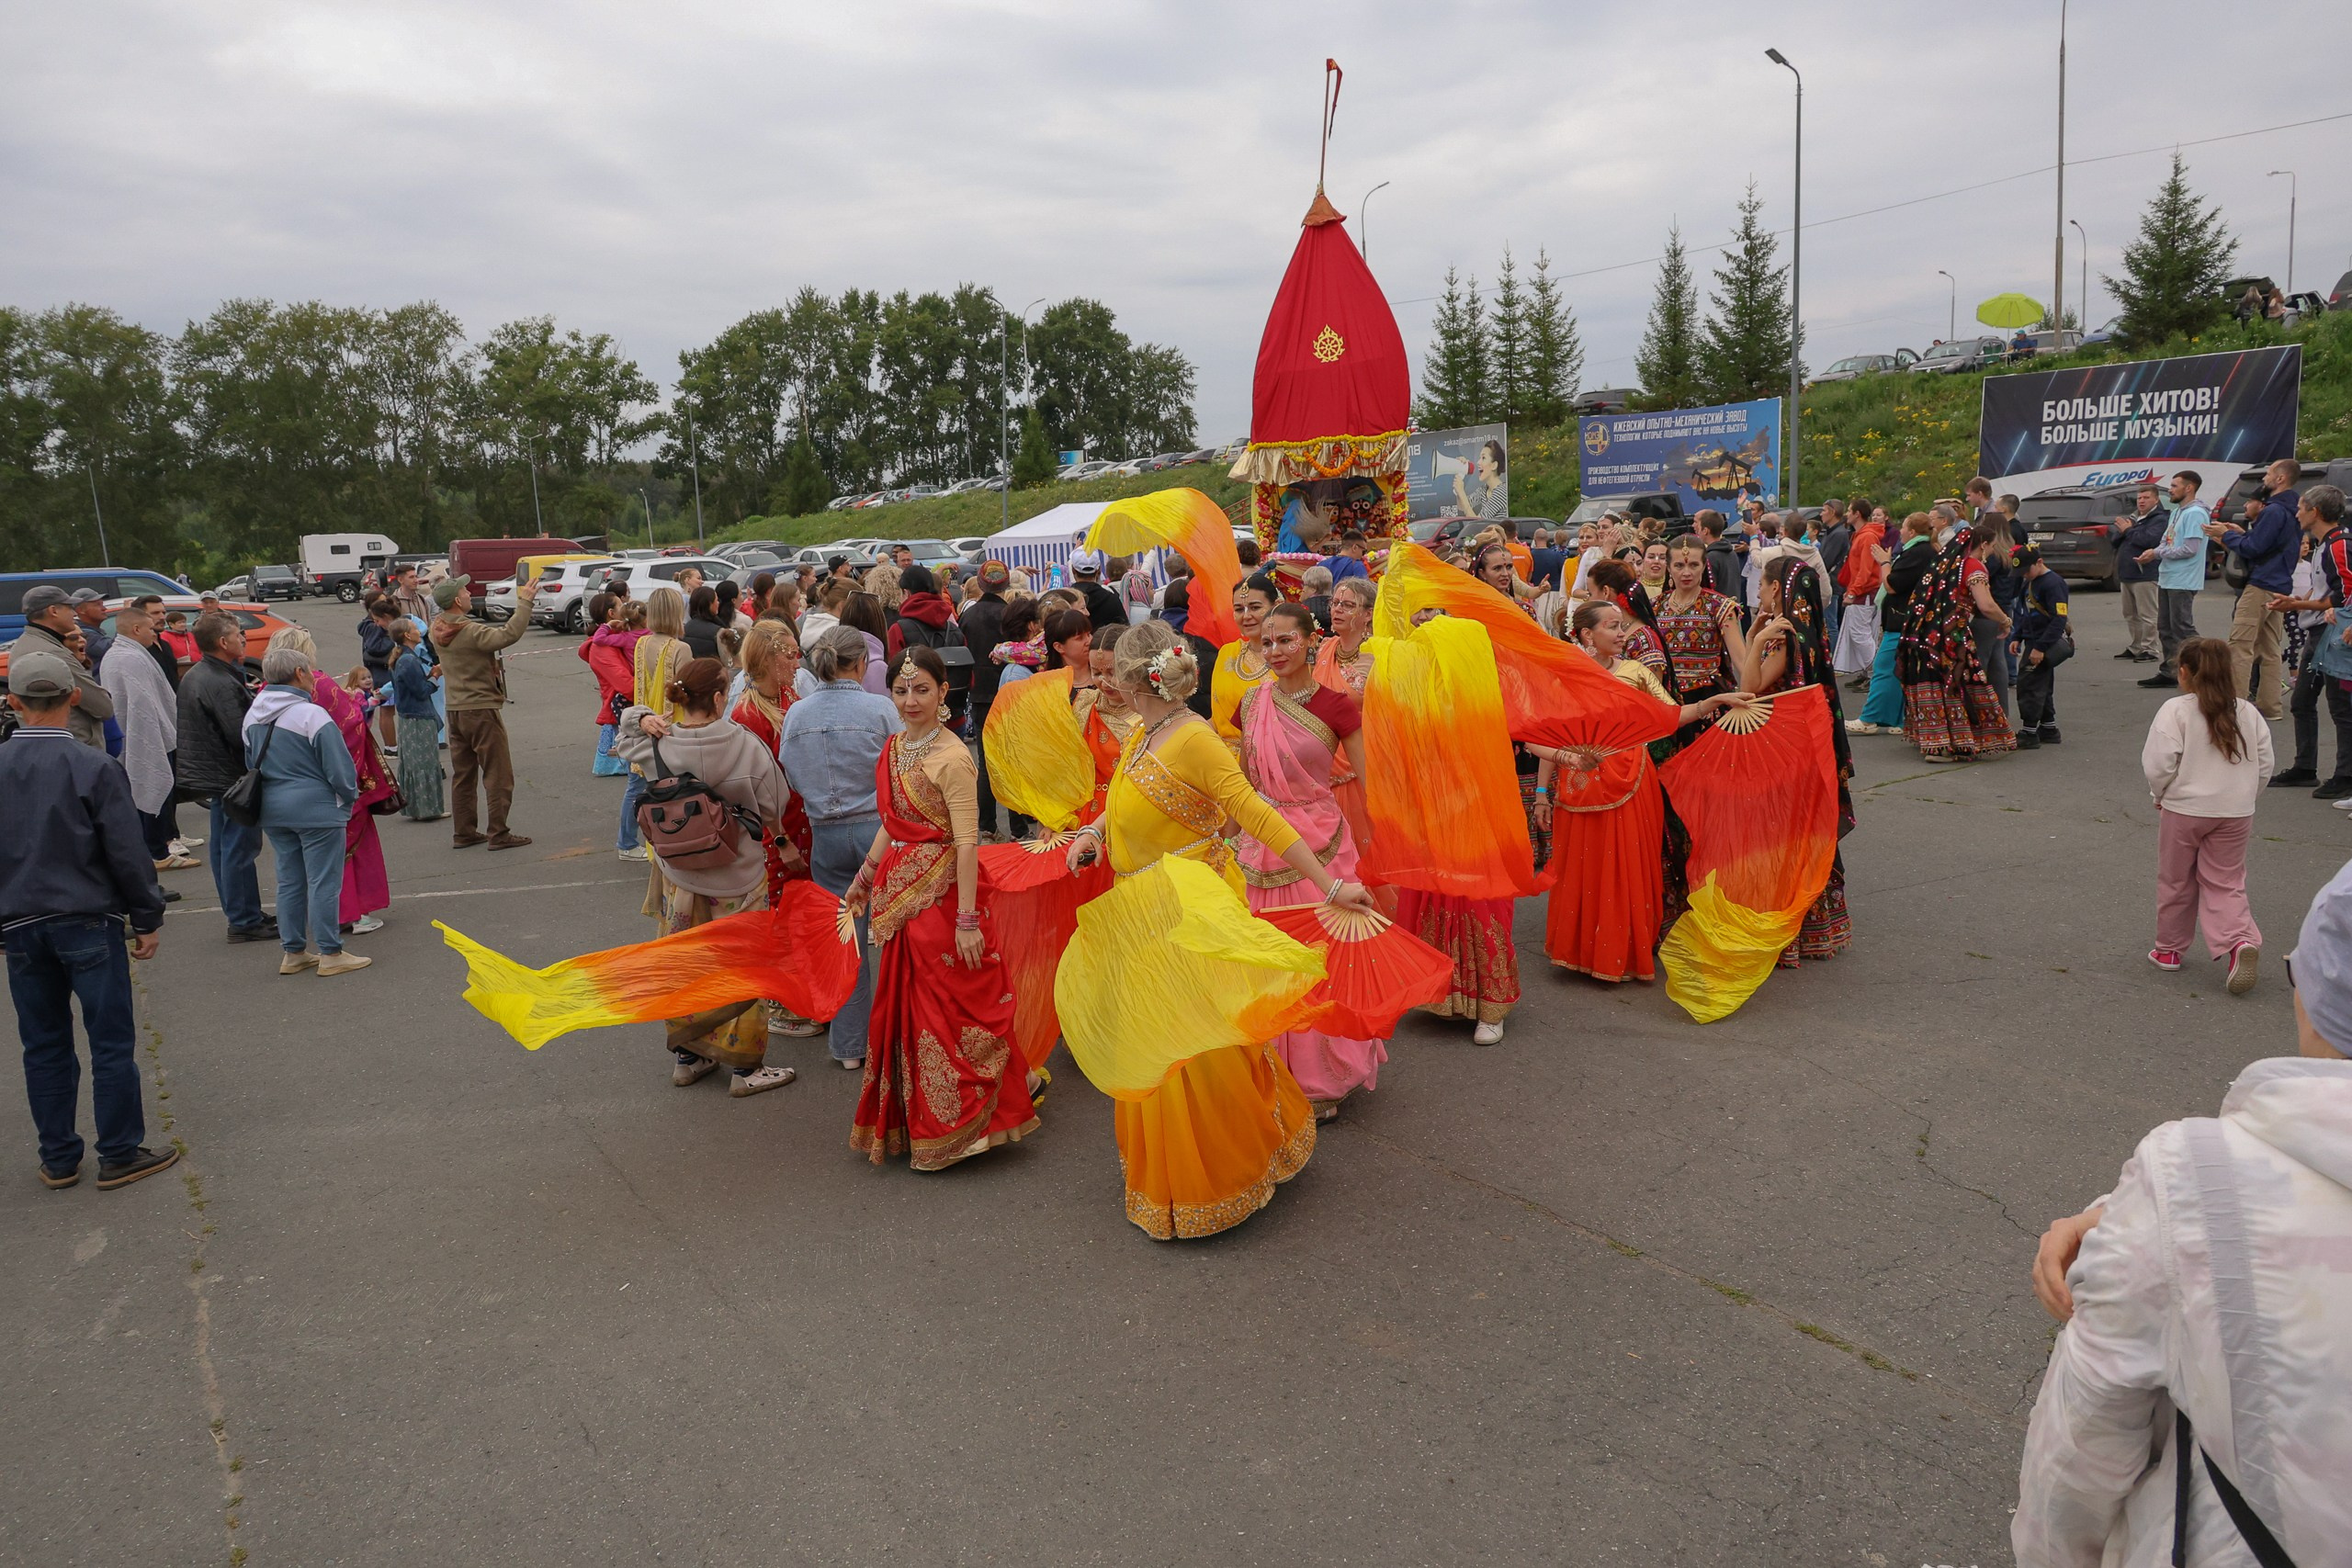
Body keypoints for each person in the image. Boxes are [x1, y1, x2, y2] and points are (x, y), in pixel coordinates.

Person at [2015, 869, 2352, 1567]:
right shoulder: (2188, 1190)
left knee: (2181, 879)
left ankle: (2171, 943)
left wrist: (2149, 1220)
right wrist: (2127, 1219)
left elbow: (2081, 1447)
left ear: (2319, 999)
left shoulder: (2191, 1178)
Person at [1057, 621, 1377, 1239]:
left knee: (1191, 1051)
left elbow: (1255, 810)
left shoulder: (1193, 738)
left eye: (1110, 672)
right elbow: (1120, 798)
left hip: (1185, 915)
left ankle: (1217, 1174)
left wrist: (1333, 885)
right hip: (1140, 912)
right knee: (1158, 1043)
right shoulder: (1148, 733)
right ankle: (1180, 1168)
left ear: (1129, 679)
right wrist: (1095, 834)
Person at [840, 646, 1038, 1166]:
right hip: (899, 898)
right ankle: (914, 1119)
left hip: (947, 900)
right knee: (907, 1009)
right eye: (901, 691)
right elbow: (895, 821)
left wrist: (968, 921)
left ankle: (966, 1123)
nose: (910, 700)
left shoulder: (952, 757)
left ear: (944, 694)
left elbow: (968, 843)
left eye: (922, 690)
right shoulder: (896, 748)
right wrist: (864, 875)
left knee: (951, 1011)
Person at [0, 649, 177, 1190]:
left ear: (14, 703)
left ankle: (58, 1156)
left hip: (20, 922)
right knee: (109, 1040)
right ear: (73, 697)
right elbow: (125, 851)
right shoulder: (94, 765)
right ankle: (119, 1150)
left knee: (44, 1042)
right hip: (86, 917)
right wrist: (146, 915)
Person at [614, 657, 797, 1097]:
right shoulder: (745, 744)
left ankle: (688, 1056)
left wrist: (644, 716)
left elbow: (623, 736)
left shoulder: (658, 745)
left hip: (681, 875)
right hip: (739, 874)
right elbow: (777, 802)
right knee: (745, 964)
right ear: (719, 698)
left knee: (686, 963)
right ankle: (745, 1067)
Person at [1533, 602, 1736, 986]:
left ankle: (1621, 953)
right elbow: (1545, 737)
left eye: (1623, 626)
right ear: (1587, 635)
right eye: (1613, 627)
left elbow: (1672, 715)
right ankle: (1578, 951)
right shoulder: (1566, 675)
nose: (1623, 634)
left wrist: (1713, 703)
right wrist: (1542, 792)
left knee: (1627, 866)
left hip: (1632, 780)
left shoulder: (1637, 672)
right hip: (1579, 781)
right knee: (1581, 866)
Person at [1235, 603, 1385, 1119]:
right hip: (1261, 847)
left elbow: (1371, 784)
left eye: (1285, 641)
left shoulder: (1338, 706)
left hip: (1322, 837)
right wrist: (1217, 843)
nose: (1274, 652)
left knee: (1323, 959)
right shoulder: (1251, 704)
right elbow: (1242, 788)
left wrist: (1393, 840)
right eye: (1266, 643)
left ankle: (1325, 1074)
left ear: (1309, 639)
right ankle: (1270, 1069)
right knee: (1268, 958)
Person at [779, 626, 902, 1072]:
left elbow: (790, 771)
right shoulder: (879, 709)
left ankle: (850, 1045)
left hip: (825, 833)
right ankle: (904, 1035)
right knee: (899, 936)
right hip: (879, 830)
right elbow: (902, 764)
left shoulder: (797, 714)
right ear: (859, 664)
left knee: (846, 941)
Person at [1739, 557, 1859, 964]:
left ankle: (1784, 931)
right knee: (1808, 831)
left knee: (1780, 834)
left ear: (1776, 589)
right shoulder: (1811, 633)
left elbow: (1750, 688)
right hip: (1811, 748)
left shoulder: (1783, 636)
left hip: (1783, 750)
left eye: (1761, 585)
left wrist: (1756, 641)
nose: (1757, 591)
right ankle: (1819, 928)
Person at [2142, 637, 2272, 989]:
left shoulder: (2177, 710)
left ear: (2184, 673)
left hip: (2185, 809)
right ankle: (2238, 940)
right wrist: (2246, 795)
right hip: (2235, 811)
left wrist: (2160, 794)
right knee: (2226, 881)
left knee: (2176, 879)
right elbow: (2265, 764)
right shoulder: (2248, 712)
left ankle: (2169, 950)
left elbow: (2159, 764)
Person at [243, 647, 368, 976]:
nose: (313, 677)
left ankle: (294, 950)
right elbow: (339, 768)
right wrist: (349, 797)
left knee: (289, 881)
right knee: (324, 881)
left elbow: (249, 762)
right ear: (299, 674)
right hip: (316, 809)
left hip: (272, 808)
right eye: (310, 671)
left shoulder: (254, 713)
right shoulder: (311, 715)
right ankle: (330, 952)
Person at [266, 627, 393, 939]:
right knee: (339, 855)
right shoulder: (318, 684)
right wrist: (349, 787)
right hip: (324, 790)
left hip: (277, 792)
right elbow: (347, 730)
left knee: (293, 871)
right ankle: (344, 921)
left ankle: (295, 943)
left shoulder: (266, 694)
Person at [173, 613, 273, 942]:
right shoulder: (218, 680)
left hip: (214, 775)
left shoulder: (204, 673)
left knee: (224, 850)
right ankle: (244, 920)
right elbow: (240, 732)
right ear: (222, 642)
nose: (243, 638)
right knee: (238, 851)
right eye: (238, 634)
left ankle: (244, 913)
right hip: (229, 776)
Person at [429, 572, 536, 850]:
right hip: (480, 708)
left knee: (463, 775)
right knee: (498, 774)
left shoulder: (436, 626)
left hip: (455, 709)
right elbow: (507, 635)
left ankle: (464, 832)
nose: (468, 593)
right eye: (464, 591)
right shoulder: (470, 631)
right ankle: (498, 833)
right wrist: (525, 603)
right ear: (456, 600)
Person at [1896, 525, 2016, 764]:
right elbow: (1985, 604)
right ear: (1983, 544)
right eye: (1991, 546)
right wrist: (2005, 621)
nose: (1991, 552)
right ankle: (1954, 743)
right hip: (1952, 638)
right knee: (1959, 683)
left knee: (1934, 684)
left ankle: (1936, 744)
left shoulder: (1946, 564)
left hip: (1924, 635)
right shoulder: (1973, 566)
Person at [2271, 485, 2352, 798]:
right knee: (2302, 700)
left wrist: (2299, 606)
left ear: (2314, 512)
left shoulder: (2338, 545)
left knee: (2340, 705)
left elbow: (2343, 596)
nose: (2296, 513)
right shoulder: (2323, 545)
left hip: (2334, 633)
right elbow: (2324, 589)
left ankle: (2346, 774)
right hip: (2318, 631)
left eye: (2301, 508)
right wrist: (2297, 599)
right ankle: (2305, 767)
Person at [96, 608, 189, 874]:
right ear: (136, 630)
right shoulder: (128, 658)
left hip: (146, 734)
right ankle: (156, 852)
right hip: (144, 737)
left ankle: (154, 850)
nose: (155, 632)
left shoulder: (124, 654)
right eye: (150, 628)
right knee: (150, 789)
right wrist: (155, 736)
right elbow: (141, 706)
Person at [2211, 457, 2301, 721]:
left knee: (2240, 645)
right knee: (2270, 649)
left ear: (2281, 478)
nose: (2265, 478)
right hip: (2281, 584)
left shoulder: (2273, 510)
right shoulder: (2292, 509)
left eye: (2269, 473)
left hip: (2261, 584)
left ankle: (2236, 708)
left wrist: (2226, 535)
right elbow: (2268, 544)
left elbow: (2254, 549)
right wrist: (2242, 534)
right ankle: (2270, 707)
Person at [1851, 512, 1939, 735]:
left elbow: (1892, 585)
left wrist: (1885, 562)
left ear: (1912, 532)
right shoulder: (1924, 551)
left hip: (1901, 621)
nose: (1899, 531)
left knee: (1884, 667)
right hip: (1909, 620)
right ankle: (1898, 720)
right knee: (1900, 671)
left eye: (1904, 527)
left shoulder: (1918, 553)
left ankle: (1869, 718)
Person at [620, 587, 689, 862]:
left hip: (645, 721)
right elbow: (687, 691)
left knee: (642, 789)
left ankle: (637, 843)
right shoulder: (681, 648)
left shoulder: (642, 644)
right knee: (677, 793)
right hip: (673, 724)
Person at [12, 585, 114, 749]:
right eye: (69, 608)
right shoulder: (53, 652)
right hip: (74, 749)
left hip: (47, 747)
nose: (74, 614)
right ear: (53, 611)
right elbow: (103, 707)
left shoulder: (24, 644)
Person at [2137, 469, 2212, 690]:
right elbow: (2167, 541)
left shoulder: (2196, 513)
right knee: (2166, 628)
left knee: (2183, 628)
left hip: (2184, 579)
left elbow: (2190, 549)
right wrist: (2152, 552)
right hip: (2168, 577)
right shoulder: (2177, 512)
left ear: (2189, 488)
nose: (2169, 489)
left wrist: (2158, 553)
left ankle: (2204, 669)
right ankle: (2171, 671)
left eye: (2174, 485)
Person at [1653, 536, 1748, 705]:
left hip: (1709, 698)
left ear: (1704, 566)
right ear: (1668, 567)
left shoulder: (1720, 606)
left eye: (1694, 565)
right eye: (1679, 565)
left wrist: (1752, 695)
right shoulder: (1654, 607)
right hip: (1665, 699)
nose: (1686, 573)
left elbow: (1740, 660)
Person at [959, 560, 1014, 838]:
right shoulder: (1008, 614)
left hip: (979, 693)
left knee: (985, 761)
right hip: (1009, 693)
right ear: (1005, 585)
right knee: (1012, 758)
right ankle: (1017, 826)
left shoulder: (968, 616)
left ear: (980, 584)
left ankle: (987, 825)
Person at [2007, 544, 2071, 750]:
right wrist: (2017, 636)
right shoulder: (2030, 582)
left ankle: (2029, 731)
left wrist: (2040, 647)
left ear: (2039, 562)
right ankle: (2048, 728)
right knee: (2041, 685)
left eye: (2027, 570)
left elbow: (2059, 619)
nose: (2025, 574)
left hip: (2043, 643)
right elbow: (2025, 612)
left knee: (2028, 686)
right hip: (2032, 639)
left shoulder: (2053, 584)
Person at [386, 621, 446, 821]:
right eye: (414, 629)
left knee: (414, 764)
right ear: (407, 635)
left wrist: (428, 676)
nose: (419, 631)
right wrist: (435, 677)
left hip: (410, 717)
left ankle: (417, 808)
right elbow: (420, 691)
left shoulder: (403, 657)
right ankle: (428, 809)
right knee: (425, 763)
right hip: (418, 718)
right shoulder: (408, 660)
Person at [1210, 576, 1278, 746]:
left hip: (1273, 758)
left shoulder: (1291, 656)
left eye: (1255, 607)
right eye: (1239, 609)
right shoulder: (1227, 653)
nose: (1246, 616)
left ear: (1275, 607)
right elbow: (1217, 720)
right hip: (1225, 760)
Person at [579, 591, 639, 778]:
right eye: (621, 605)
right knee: (636, 777)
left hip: (625, 703)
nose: (626, 606)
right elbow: (625, 683)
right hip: (624, 705)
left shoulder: (615, 637)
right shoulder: (601, 647)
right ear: (611, 614)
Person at [2108, 484, 2167, 662]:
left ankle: (2150, 649)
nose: (2141, 501)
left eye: (2146, 498)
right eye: (2139, 498)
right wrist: (2126, 529)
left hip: (2146, 574)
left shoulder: (2160, 519)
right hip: (2127, 573)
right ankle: (2136, 646)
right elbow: (2115, 541)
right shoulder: (2134, 518)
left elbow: (2148, 540)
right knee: (2130, 614)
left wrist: (2128, 530)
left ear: (2156, 500)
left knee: (2147, 614)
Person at [1068, 548, 1126, 633]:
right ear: (1099, 570)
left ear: (1073, 570)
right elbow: (1125, 631)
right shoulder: (1112, 599)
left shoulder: (1063, 601)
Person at [69, 589, 115, 671]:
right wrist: (128, 621)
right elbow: (115, 648)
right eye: (98, 605)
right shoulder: (84, 635)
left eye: (102, 604)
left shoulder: (93, 631)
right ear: (81, 610)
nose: (104, 608)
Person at [682, 585, 726, 661]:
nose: (718, 603)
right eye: (716, 600)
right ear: (710, 604)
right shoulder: (718, 632)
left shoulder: (684, 629)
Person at [1300, 564, 1334, 632]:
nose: (1302, 588)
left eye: (1304, 585)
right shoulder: (1336, 607)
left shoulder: (1305, 610)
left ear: (1314, 589)